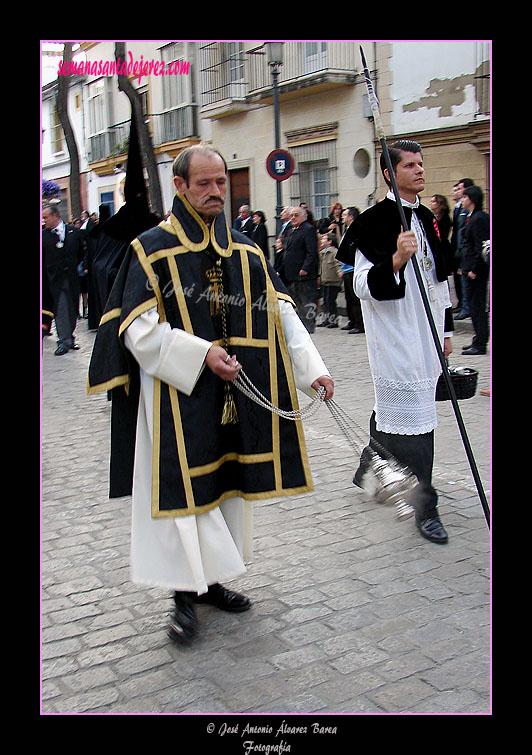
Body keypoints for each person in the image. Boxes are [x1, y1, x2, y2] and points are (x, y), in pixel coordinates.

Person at [87, 144, 334, 644]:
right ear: (180, 186)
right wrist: (200, 354)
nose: (216, 191)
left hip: (232, 397)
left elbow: (278, 310)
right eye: (204, 183)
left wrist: (314, 370)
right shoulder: (150, 249)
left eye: (220, 181)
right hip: (174, 398)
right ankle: (182, 596)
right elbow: (137, 330)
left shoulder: (246, 248)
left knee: (226, 488)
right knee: (184, 497)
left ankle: (212, 582)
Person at [337, 139, 454, 544]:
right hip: (397, 333)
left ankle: (370, 465)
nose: (420, 170)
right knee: (417, 418)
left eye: (422, 164)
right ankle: (426, 505)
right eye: (410, 165)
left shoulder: (429, 218)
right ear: (390, 173)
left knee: (398, 409)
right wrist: (396, 261)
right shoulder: (373, 222)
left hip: (428, 330)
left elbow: (441, 278)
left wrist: (449, 331)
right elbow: (361, 285)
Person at [42, 204, 86, 355]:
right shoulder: (43, 236)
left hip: (72, 278)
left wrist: (73, 265)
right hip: (55, 280)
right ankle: (63, 341)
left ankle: (70, 338)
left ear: (55, 216)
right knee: (60, 309)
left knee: (73, 309)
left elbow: (80, 252)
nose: (44, 220)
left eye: (46, 217)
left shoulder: (73, 232)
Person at [459, 185, 490, 355]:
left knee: (478, 306)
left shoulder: (479, 219)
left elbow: (482, 247)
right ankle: (477, 339)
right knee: (474, 305)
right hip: (468, 267)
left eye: (464, 197)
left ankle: (480, 343)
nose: (462, 200)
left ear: (471, 199)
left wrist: (475, 269)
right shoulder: (471, 217)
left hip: (476, 271)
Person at [283, 206, 320, 333]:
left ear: (303, 216)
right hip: (292, 273)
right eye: (291, 215)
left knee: (306, 301)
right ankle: (300, 325)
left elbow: (312, 251)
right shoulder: (291, 230)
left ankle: (308, 326)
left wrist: (305, 267)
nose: (292, 218)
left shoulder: (308, 229)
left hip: (304, 274)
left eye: (296, 215)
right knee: (296, 301)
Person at [450, 179, 474, 318]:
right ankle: (462, 304)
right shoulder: (458, 208)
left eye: (459, 189)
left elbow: (463, 231)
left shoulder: (467, 211)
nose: (457, 192)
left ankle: (466, 307)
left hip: (465, 250)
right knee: (459, 280)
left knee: (466, 281)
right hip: (458, 249)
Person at [340, 207, 364, 334]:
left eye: (345, 215)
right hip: (346, 268)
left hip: (353, 268)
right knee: (349, 298)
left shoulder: (356, 230)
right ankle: (352, 321)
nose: (342, 217)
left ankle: (359, 324)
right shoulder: (347, 230)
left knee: (355, 299)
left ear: (351, 217)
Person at [317, 232, 343, 328]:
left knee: (331, 301)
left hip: (333, 281)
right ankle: (327, 319)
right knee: (326, 302)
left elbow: (337, 263)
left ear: (330, 241)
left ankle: (334, 320)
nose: (322, 240)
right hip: (325, 280)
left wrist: (340, 271)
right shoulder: (323, 253)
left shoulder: (333, 252)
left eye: (324, 239)